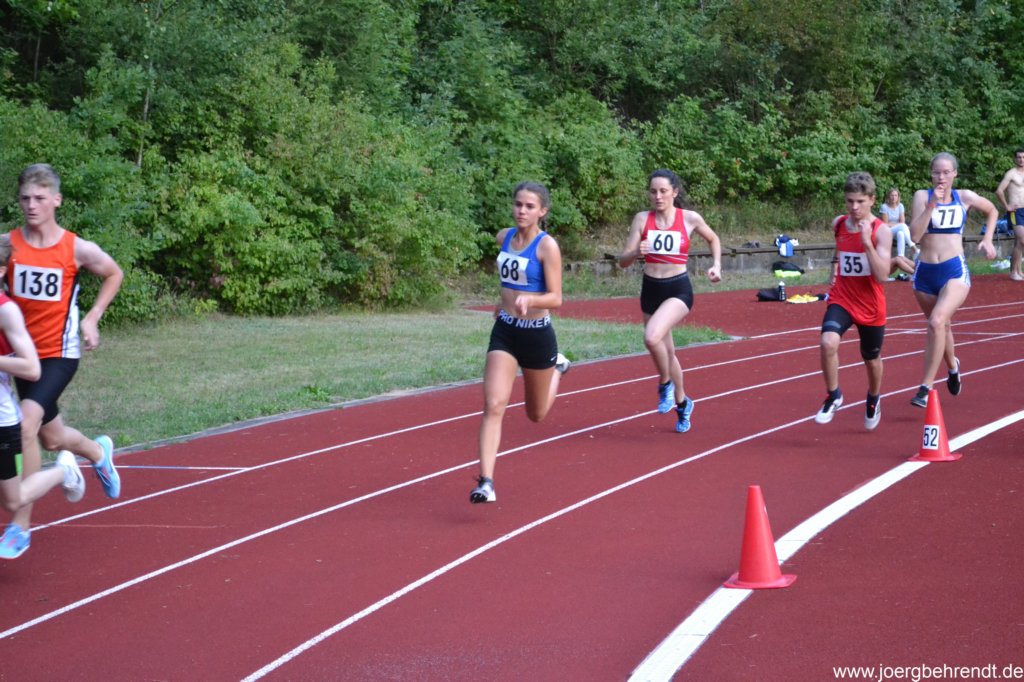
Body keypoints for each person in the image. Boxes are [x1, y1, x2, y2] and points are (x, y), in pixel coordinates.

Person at [0, 164, 124, 557]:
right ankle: (97, 452)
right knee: (51, 438)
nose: (31, 205)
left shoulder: (75, 248)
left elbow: (113, 273)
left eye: (39, 198)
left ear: (56, 200)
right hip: (22, 356)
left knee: (27, 424)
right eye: (25, 198)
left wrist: (93, 317)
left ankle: (20, 526)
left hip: (58, 354)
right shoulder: (8, 245)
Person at [470, 182, 569, 504]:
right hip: (506, 331)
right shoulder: (504, 237)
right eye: (518, 204)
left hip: (537, 333)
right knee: (493, 404)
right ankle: (486, 482)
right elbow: (508, 280)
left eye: (529, 206)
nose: (521, 211)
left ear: (542, 211)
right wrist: (504, 302)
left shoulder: (547, 246)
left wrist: (531, 299)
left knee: (536, 414)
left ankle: (557, 368)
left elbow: (556, 298)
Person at [0, 234, 87, 559]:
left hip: (2, 420)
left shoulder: (7, 311)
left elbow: (31, 368)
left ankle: (65, 471)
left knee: (12, 500)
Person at [618, 169, 722, 433]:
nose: (658, 196)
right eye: (653, 191)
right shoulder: (642, 219)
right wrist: (636, 251)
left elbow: (713, 238)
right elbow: (623, 261)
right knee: (668, 352)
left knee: (651, 338)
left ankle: (665, 383)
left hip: (678, 288)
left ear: (674, 192)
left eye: (663, 191)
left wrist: (716, 265)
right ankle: (683, 402)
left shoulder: (689, 218)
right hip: (651, 288)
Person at [907, 152, 998, 408]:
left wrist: (987, 238)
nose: (941, 177)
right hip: (925, 273)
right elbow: (915, 236)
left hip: (953, 270)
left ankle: (925, 387)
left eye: (946, 172)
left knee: (936, 321)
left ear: (955, 174)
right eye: (937, 172)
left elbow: (992, 210)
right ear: (931, 174)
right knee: (941, 327)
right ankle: (953, 366)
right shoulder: (921, 197)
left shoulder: (964, 197)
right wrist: (931, 205)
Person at [813, 172, 893, 430]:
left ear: (872, 200)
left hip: (871, 305)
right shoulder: (838, 224)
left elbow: (882, 276)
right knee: (827, 342)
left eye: (860, 201)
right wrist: (834, 270)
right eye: (850, 201)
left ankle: (873, 397)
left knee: (871, 358)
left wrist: (867, 243)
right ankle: (834, 395)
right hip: (843, 298)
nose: (854, 207)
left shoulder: (882, 232)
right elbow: (840, 251)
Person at [994, 147, 1024, 281]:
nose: (1021, 160)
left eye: (1023, 157)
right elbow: (999, 191)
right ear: (1015, 159)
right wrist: (1007, 206)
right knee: (1022, 240)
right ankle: (1013, 272)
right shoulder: (1011, 173)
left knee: (1019, 242)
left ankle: (1018, 271)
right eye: (1019, 157)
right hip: (1015, 211)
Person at [879, 187, 914, 281]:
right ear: (888, 197)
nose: (894, 197)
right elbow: (885, 224)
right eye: (892, 195)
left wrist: (897, 225)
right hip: (887, 231)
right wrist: (899, 225)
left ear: (898, 197)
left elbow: (902, 221)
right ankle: (913, 246)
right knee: (902, 226)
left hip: (897, 230)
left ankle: (901, 256)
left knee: (901, 233)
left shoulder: (900, 206)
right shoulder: (884, 207)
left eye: (895, 195)